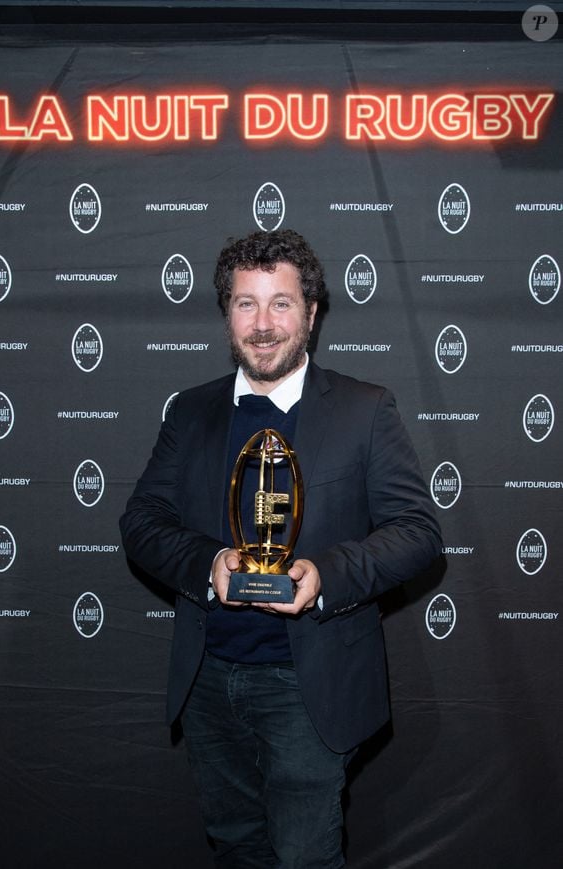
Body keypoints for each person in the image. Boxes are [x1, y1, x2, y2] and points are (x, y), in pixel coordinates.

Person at [120, 229, 442, 868]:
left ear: (312, 313)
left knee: (302, 858)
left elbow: (418, 532)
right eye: (246, 304)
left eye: (281, 303)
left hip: (308, 686)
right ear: (226, 313)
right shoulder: (190, 413)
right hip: (210, 680)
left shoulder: (364, 410)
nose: (263, 324)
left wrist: (323, 574)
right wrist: (209, 565)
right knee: (237, 848)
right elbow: (143, 521)